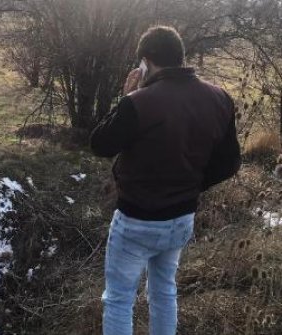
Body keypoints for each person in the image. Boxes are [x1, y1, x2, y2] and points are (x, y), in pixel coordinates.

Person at [90, 26, 241, 335]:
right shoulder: (220, 98)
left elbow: (100, 144)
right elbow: (230, 163)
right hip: (181, 219)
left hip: (136, 220)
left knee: (119, 300)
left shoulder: (139, 102)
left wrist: (126, 99)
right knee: (164, 292)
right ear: (179, 57)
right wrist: (192, 184)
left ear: (145, 62)